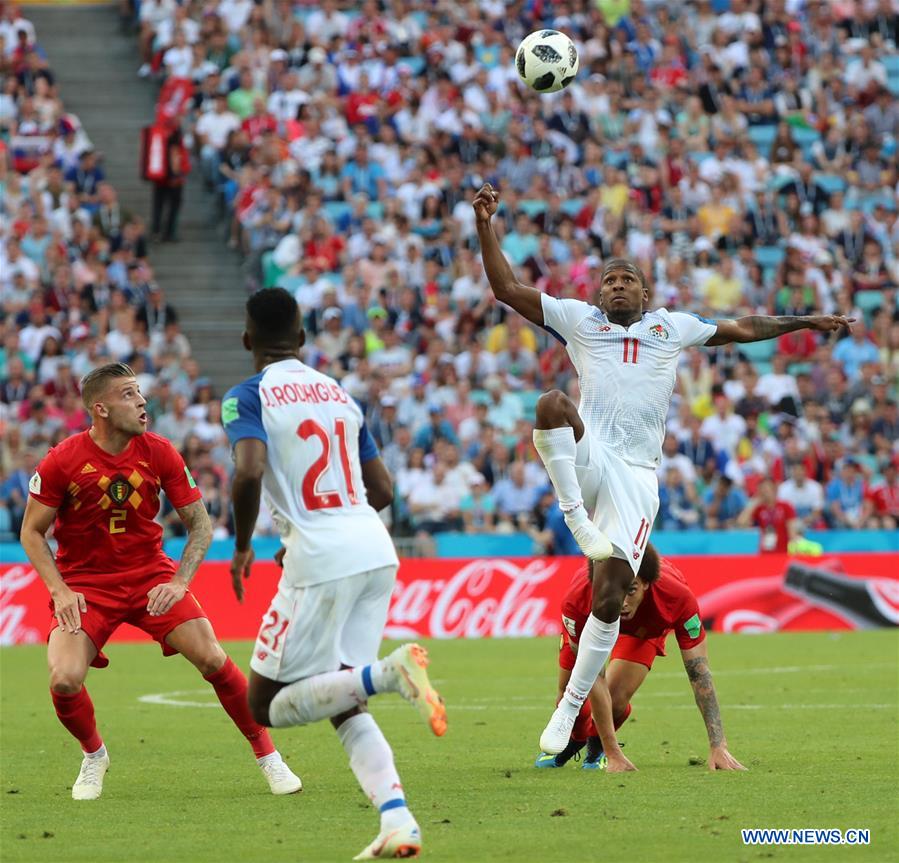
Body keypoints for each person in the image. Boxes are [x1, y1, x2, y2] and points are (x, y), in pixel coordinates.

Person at [472, 182, 854, 757]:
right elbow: (505, 288)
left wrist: (804, 321)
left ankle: (572, 706)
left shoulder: (670, 327)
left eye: (627, 280)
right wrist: (484, 224)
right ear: (598, 294)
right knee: (552, 403)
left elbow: (743, 328)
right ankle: (574, 514)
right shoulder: (579, 321)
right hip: (592, 458)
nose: (617, 286)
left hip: (637, 476)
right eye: (609, 280)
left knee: (609, 595)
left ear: (645, 293)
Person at [223, 288, 447, 861]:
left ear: (248, 340)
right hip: (374, 549)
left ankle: (389, 672)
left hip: (320, 558)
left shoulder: (247, 396)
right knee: (343, 699)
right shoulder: (338, 393)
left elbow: (248, 473)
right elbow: (384, 491)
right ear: (302, 339)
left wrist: (246, 545)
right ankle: (398, 820)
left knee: (264, 705)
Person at [19, 362, 300, 801]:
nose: (142, 401)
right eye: (128, 394)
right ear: (101, 409)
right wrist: (59, 589)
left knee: (211, 657)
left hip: (150, 575)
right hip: (86, 586)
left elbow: (201, 525)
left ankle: (269, 756)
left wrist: (180, 581)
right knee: (64, 681)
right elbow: (31, 532)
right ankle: (94, 756)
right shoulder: (63, 460)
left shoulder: (160, 451)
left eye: (140, 392)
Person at [535, 544, 745, 773]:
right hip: (592, 624)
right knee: (568, 695)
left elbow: (699, 674)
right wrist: (613, 750)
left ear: (646, 583)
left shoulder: (676, 597)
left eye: (631, 589)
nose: (621, 601)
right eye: (612, 589)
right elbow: (592, 675)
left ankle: (596, 750)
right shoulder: (578, 599)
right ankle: (576, 739)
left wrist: (718, 746)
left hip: (643, 631)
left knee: (614, 701)